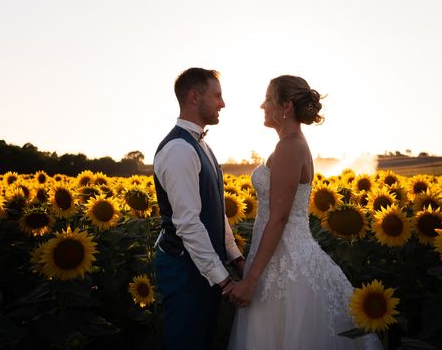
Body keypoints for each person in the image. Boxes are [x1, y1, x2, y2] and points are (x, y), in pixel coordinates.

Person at [226, 75, 382, 350]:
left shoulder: (289, 146)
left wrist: (251, 280)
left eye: (267, 99)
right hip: (276, 254)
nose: (262, 106)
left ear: (285, 106)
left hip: (285, 262)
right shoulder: (290, 143)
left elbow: (279, 217)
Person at [153, 68, 245, 350]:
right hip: (184, 272)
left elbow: (215, 211)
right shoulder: (179, 149)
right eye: (217, 95)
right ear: (194, 96)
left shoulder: (200, 144)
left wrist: (236, 257)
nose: (223, 103)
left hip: (204, 268)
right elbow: (188, 224)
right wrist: (224, 280)